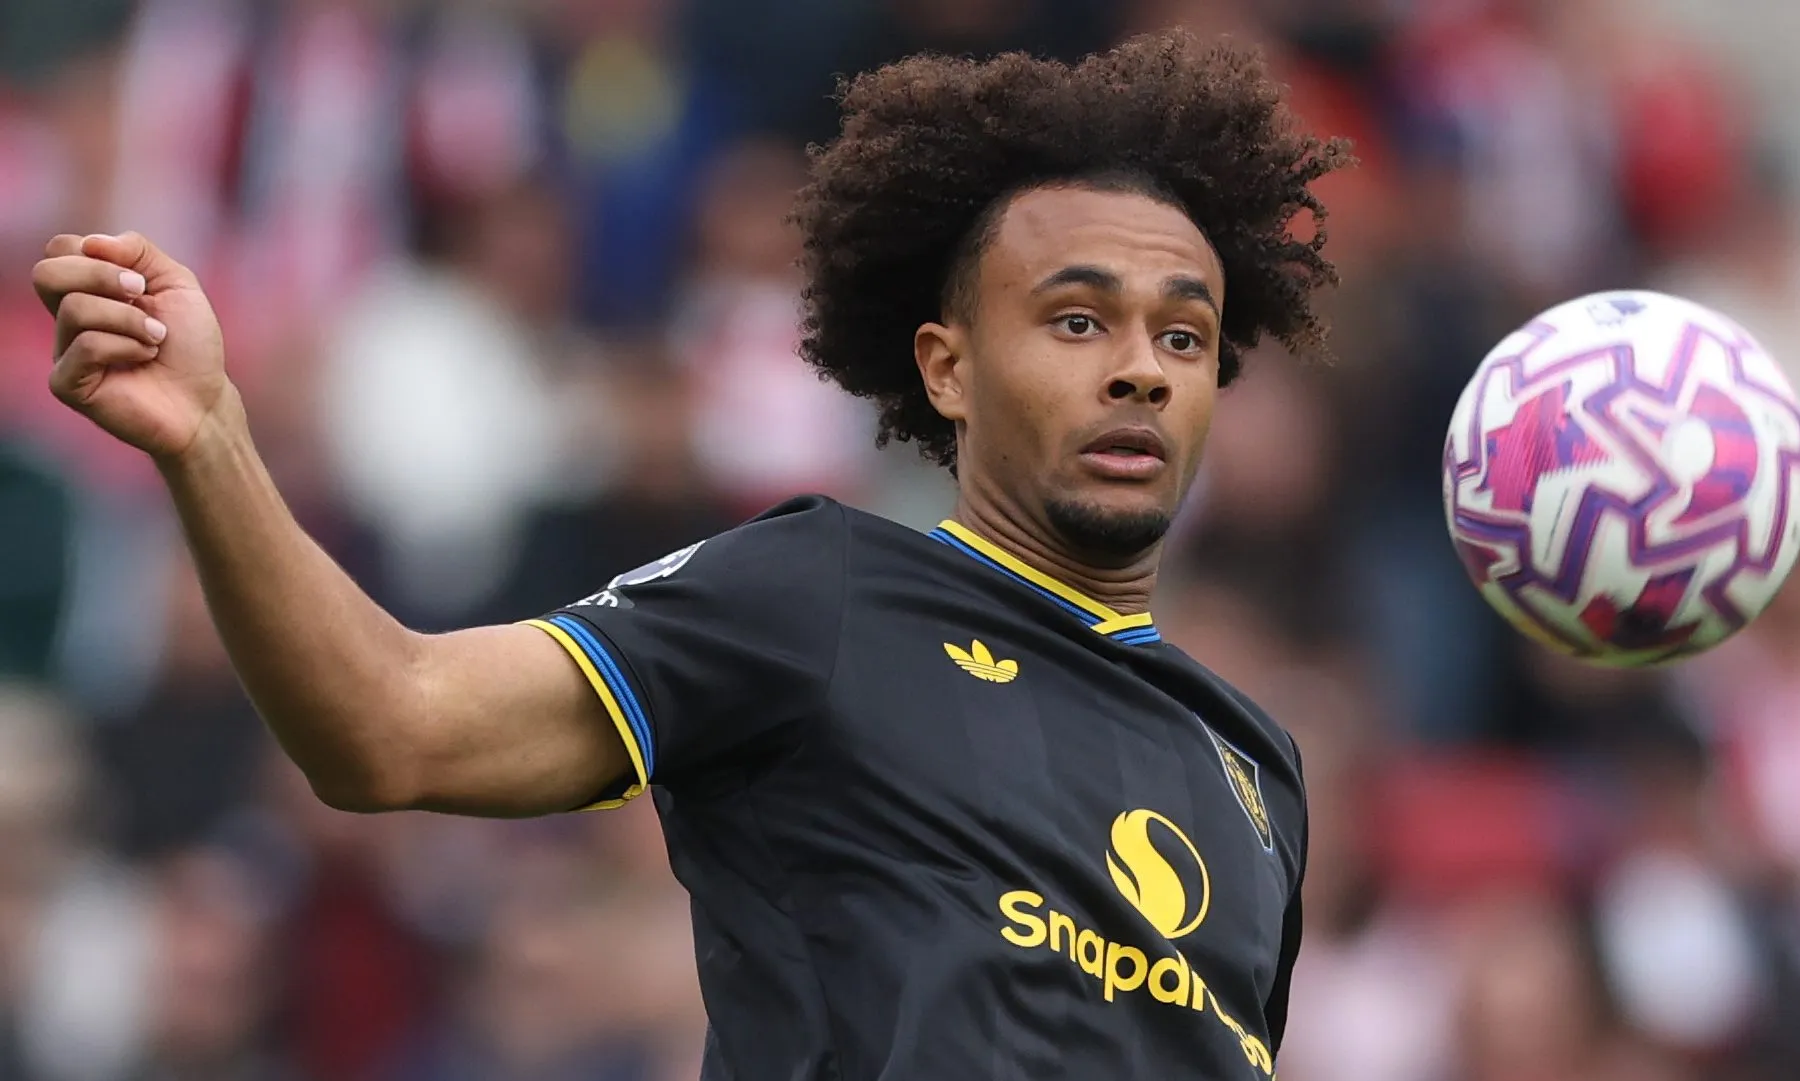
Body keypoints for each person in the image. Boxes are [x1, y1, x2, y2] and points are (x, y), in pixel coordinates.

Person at [30, 28, 1344, 1081]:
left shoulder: (1251, 768)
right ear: (946, 367)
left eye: (1183, 338)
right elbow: (391, 725)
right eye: (1075, 321)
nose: (1140, 371)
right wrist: (211, 439)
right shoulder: (814, 597)